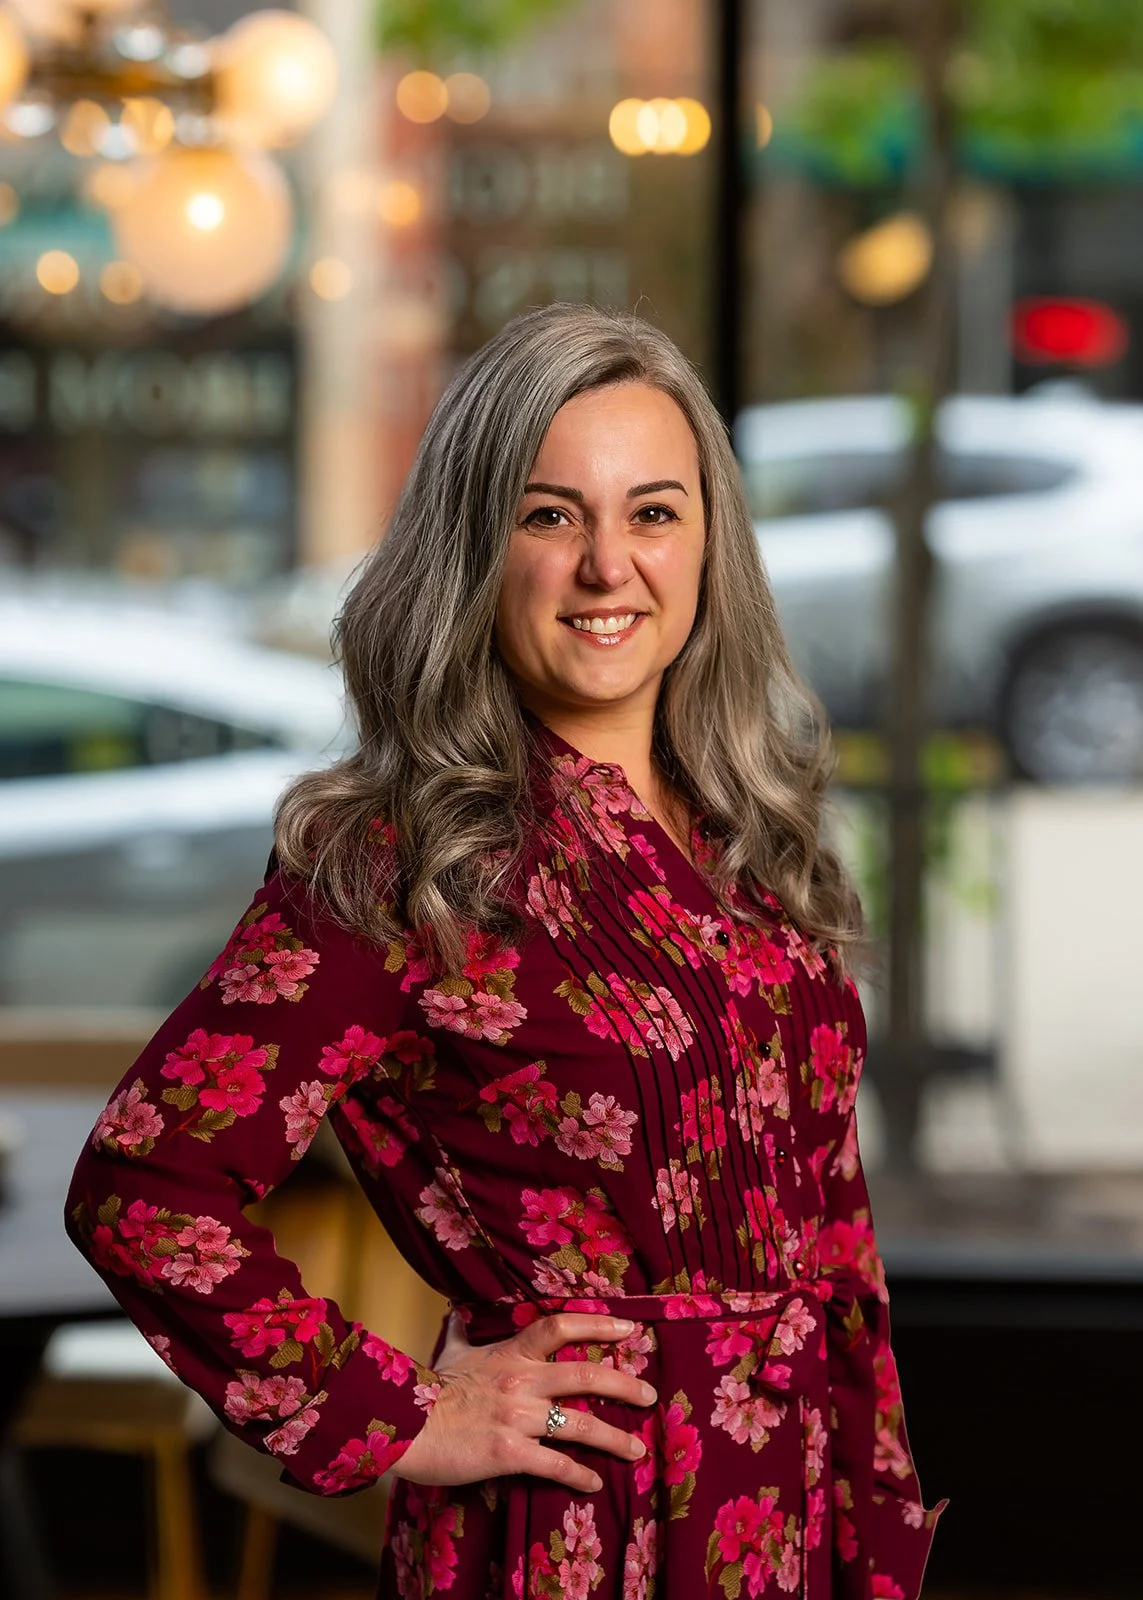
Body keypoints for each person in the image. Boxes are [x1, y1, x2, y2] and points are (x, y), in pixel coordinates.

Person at [67, 303, 944, 1599]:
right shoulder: (399, 860)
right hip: (579, 1517)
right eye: (549, 516)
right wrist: (401, 1413)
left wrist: (874, 1504)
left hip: (794, 1497)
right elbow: (144, 1187)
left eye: (652, 512)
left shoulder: (749, 831)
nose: (608, 567)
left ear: (708, 544)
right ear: (474, 548)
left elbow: (833, 1226)